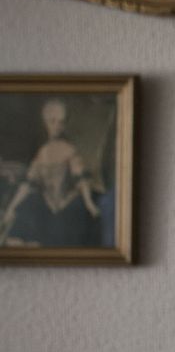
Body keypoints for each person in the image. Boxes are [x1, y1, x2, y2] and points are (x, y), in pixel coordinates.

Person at [0, 98, 103, 247]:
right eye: (52, 121)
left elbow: (81, 179)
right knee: (25, 212)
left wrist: (89, 204)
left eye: (61, 122)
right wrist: (11, 208)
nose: (57, 126)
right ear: (45, 122)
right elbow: (28, 184)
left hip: (67, 204)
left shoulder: (69, 150)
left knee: (60, 233)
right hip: (47, 204)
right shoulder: (42, 153)